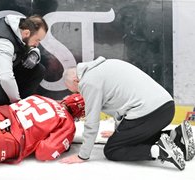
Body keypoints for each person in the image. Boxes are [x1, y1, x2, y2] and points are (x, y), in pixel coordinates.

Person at [61, 56, 195, 171]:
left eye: (76, 91)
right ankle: (176, 136)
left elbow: (92, 122)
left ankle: (160, 151)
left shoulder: (88, 82)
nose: (79, 94)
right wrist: (121, 132)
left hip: (148, 114)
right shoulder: (107, 64)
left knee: (112, 150)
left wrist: (82, 155)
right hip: (167, 108)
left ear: (76, 81)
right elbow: (122, 103)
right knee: (133, 140)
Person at [0, 14, 48, 105]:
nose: (37, 44)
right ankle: (14, 108)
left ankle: (24, 106)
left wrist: (34, 53)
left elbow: (24, 43)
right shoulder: (2, 43)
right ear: (26, 33)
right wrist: (17, 102)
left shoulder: (21, 26)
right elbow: (6, 78)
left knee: (38, 70)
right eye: (37, 40)